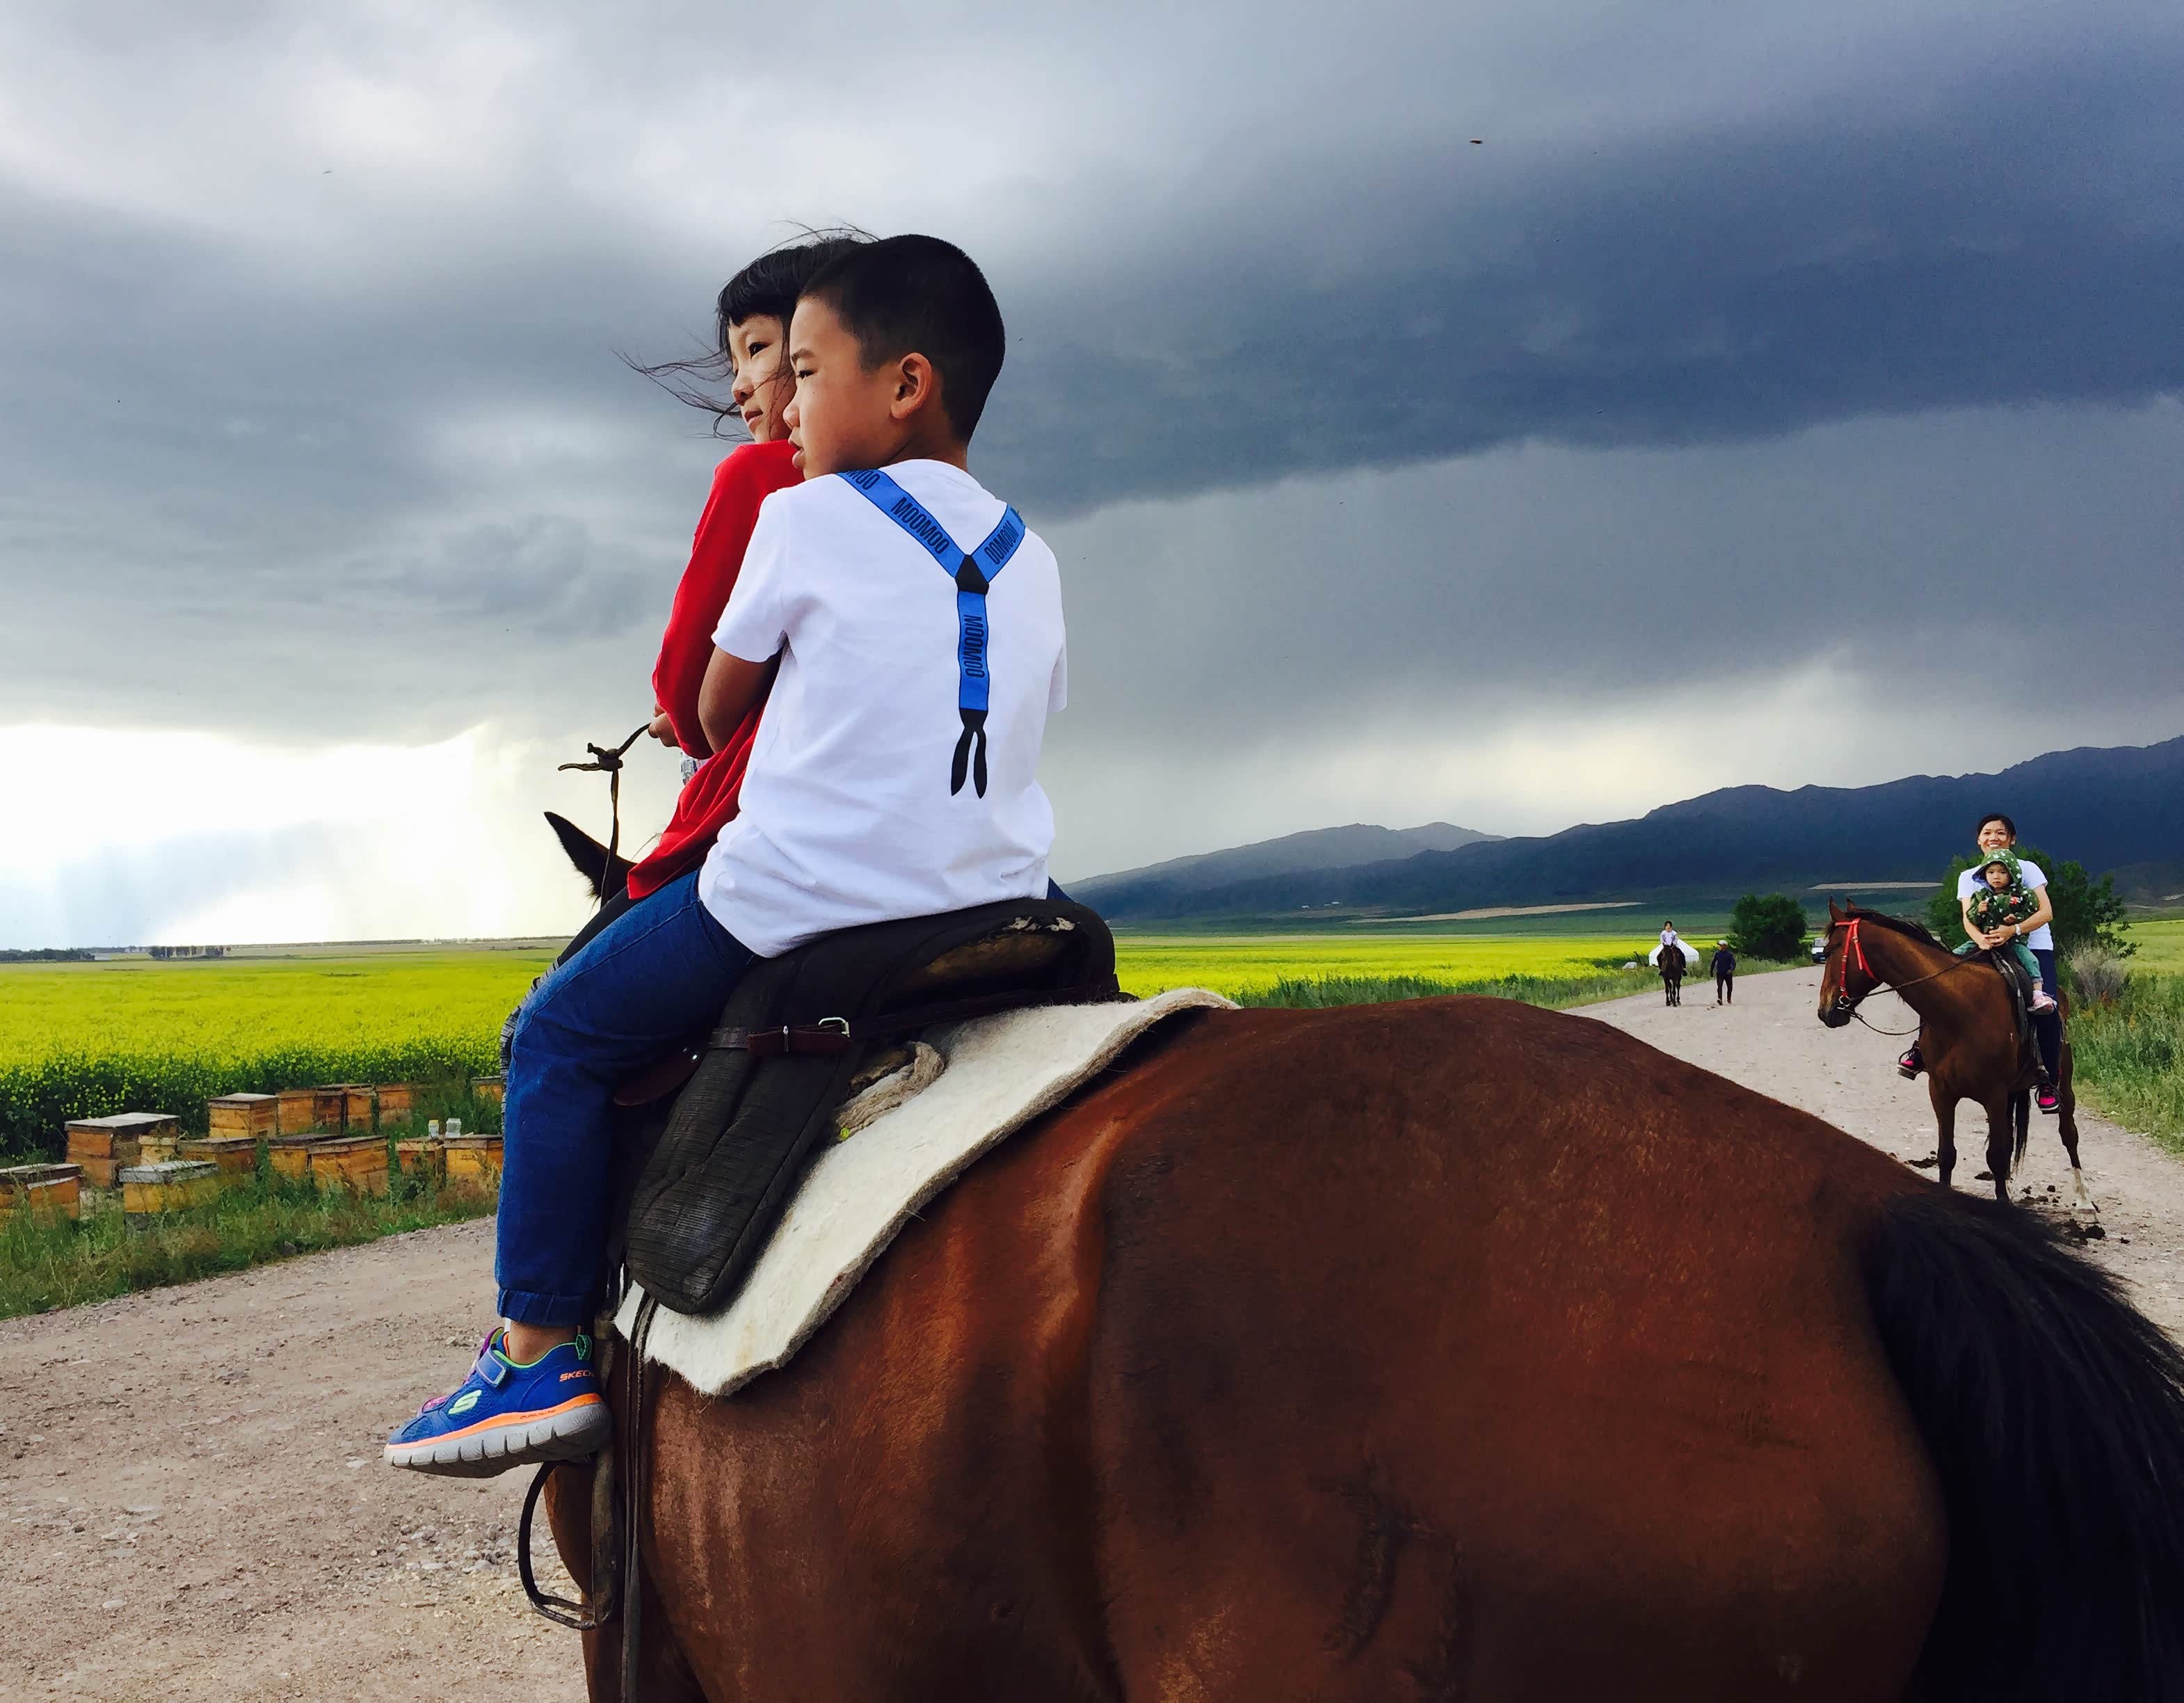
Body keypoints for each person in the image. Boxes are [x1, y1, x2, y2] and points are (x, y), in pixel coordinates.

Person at [387, 235, 1066, 1476]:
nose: (783, 405)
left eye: (803, 371)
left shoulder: (800, 515)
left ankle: (530, 1350)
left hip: (800, 899)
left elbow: (708, 708)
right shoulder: (1033, 548)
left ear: (904, 384)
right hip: (1003, 899)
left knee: (556, 1035)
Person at [1898, 811, 2064, 1112]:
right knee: (1938, 985)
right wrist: (1980, 939)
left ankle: (2047, 1080)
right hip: (1983, 945)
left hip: (2031, 946)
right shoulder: (1969, 877)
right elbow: (1967, 917)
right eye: (1987, 833)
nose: (1994, 837)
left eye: (2001, 833)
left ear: (2012, 839)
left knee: (2047, 1010)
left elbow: (2045, 912)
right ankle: (1920, 1050)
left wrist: (2011, 930)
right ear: (1978, 840)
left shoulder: (2028, 869)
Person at [1955, 849, 2057, 1012]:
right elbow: (1971, 918)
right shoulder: (1980, 896)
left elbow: (2031, 911)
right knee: (1952, 956)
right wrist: (1978, 911)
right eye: (1991, 872)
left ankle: (2038, 994)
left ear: (2012, 874)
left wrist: (2015, 920)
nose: (1996, 876)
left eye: (2003, 872)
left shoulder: (2022, 895)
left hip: (2014, 941)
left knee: (2030, 960)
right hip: (1986, 939)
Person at [1709, 940, 1736, 1005]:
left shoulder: (1730, 955)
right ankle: (1720, 999)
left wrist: (1731, 970)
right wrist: (1711, 971)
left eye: (1721, 945)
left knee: (1730, 987)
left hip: (1728, 973)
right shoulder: (1717, 954)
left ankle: (1729, 999)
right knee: (1719, 986)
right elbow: (1713, 963)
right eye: (1720, 945)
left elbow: (1734, 964)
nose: (1720, 946)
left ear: (1725, 946)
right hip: (1720, 973)